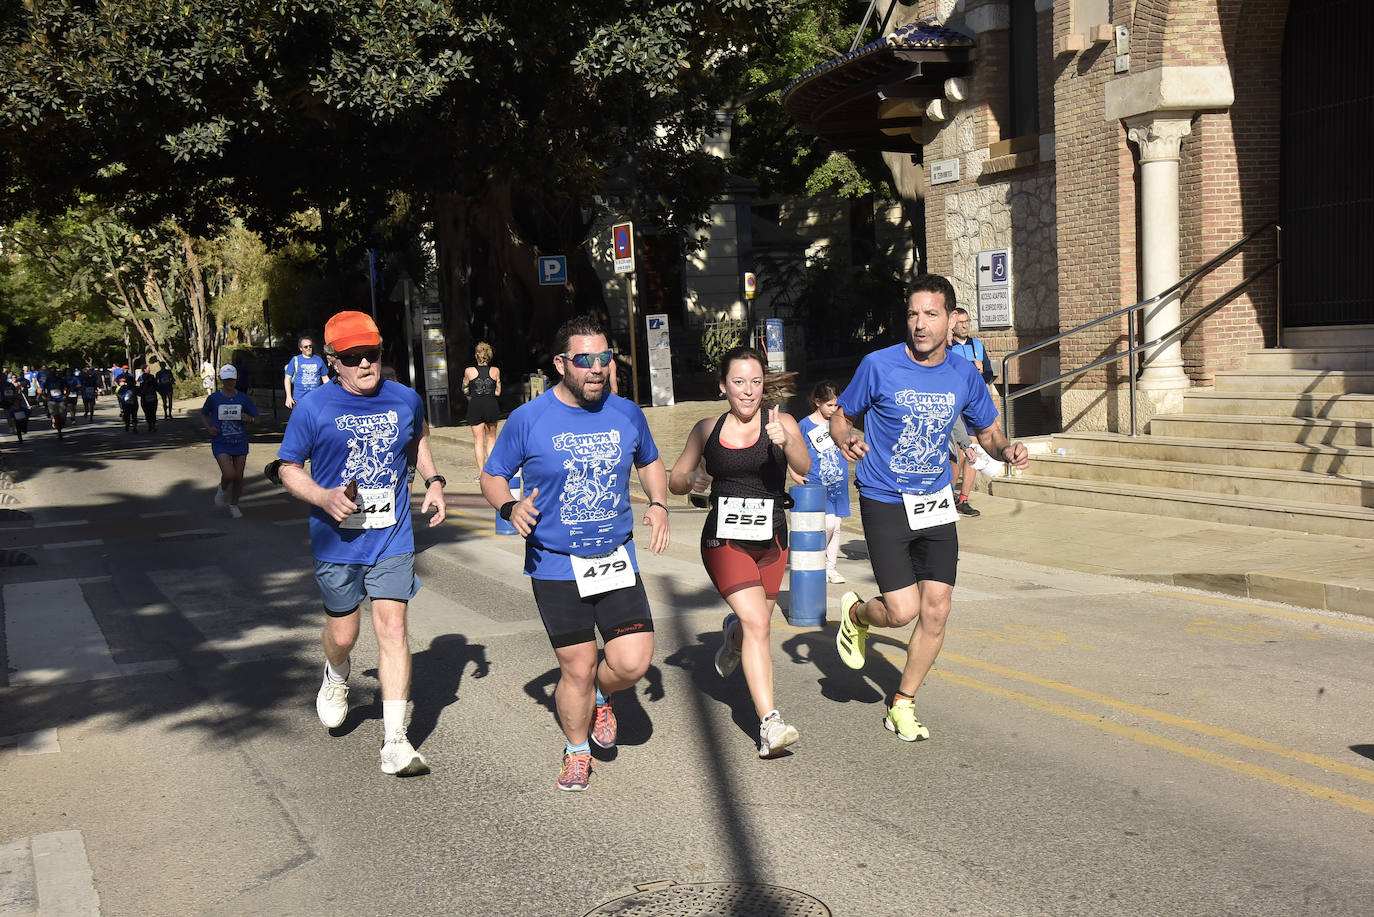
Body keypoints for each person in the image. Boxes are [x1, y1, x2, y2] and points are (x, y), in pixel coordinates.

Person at [830, 274, 1029, 742]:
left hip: (936, 503)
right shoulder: (878, 365)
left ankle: (903, 702)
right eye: (913, 314)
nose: (920, 324)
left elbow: (988, 433)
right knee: (902, 611)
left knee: (936, 611)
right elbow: (842, 414)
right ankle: (857, 616)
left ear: (952, 319)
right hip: (885, 498)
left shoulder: (963, 374)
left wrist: (1007, 451)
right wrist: (845, 438)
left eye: (930, 314)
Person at [481, 315, 670, 791]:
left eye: (604, 357)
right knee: (578, 667)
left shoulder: (627, 413)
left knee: (631, 663)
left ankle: (603, 696)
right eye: (585, 360)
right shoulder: (530, 418)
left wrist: (660, 504)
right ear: (562, 363)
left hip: (613, 556)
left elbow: (649, 461)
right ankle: (577, 750)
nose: (598, 368)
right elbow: (492, 474)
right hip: (556, 563)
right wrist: (509, 506)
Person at [277, 310, 447, 778]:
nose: (365, 365)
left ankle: (395, 742)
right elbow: (289, 467)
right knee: (345, 635)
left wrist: (433, 481)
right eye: (353, 358)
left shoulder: (405, 399)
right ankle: (336, 674)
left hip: (391, 534)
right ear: (333, 361)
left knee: (392, 628)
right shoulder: (314, 407)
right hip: (337, 539)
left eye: (371, 354)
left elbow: (417, 441)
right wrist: (322, 495)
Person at [668, 346, 811, 759]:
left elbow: (805, 465)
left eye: (754, 382)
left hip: (773, 540)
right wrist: (691, 478)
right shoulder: (707, 429)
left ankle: (731, 636)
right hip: (724, 540)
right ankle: (769, 724)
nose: (747, 391)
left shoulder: (780, 421)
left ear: (763, 385)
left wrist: (788, 441)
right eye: (738, 382)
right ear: (722, 386)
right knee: (759, 625)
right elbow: (676, 478)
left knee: (753, 627)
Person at [789, 381, 851, 584]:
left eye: (836, 405)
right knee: (827, 524)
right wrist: (794, 473)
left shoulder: (839, 422)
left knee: (837, 524)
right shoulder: (804, 425)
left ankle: (830, 567)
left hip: (837, 482)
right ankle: (818, 561)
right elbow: (791, 449)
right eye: (830, 405)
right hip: (816, 482)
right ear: (817, 402)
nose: (834, 410)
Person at [200, 365, 260, 518]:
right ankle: (223, 488)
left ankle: (234, 505)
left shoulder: (243, 398)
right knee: (229, 474)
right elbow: (203, 414)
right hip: (221, 441)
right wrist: (209, 428)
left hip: (240, 441)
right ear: (221, 379)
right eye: (226, 379)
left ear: (236, 379)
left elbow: (257, 418)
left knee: (239, 477)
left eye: (232, 379)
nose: (230, 382)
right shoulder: (214, 398)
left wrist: (250, 419)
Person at [462, 342, 502, 482]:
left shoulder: (469, 371)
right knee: (491, 439)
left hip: (475, 405)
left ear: (476, 356)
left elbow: (465, 389)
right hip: (491, 405)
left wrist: (471, 398)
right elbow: (498, 392)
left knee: (478, 441)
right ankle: (492, 472)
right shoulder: (496, 371)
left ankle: (481, 473)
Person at [949, 306, 995, 385]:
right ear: (952, 325)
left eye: (967, 321)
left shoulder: (977, 344)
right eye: (960, 322)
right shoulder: (947, 347)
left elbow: (989, 373)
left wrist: (982, 373)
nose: (965, 326)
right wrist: (972, 367)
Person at [283, 335, 328, 409]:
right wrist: (288, 397)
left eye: (310, 346)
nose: (309, 348)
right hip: (299, 399)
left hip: (315, 399)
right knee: (300, 420)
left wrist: (330, 393)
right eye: (306, 347)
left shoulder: (318, 360)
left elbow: (325, 378)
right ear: (301, 348)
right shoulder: (295, 360)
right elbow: (287, 378)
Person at [43, 371, 70, 439]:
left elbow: (68, 387)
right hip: (52, 401)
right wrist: (46, 398)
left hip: (61, 400)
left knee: (62, 416)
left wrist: (66, 395)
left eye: (54, 372)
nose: (53, 374)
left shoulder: (61, 380)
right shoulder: (47, 381)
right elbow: (40, 390)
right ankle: (59, 432)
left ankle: (60, 425)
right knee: (56, 416)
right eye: (51, 372)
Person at [137, 366, 161, 432]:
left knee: (152, 412)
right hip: (146, 400)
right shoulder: (142, 383)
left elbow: (157, 387)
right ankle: (151, 425)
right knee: (148, 413)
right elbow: (139, 390)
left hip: (152, 399)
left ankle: (152, 425)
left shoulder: (152, 382)